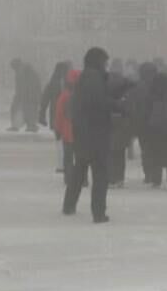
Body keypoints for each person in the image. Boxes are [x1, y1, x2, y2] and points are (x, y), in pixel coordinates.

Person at [63, 47, 120, 223]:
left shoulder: (84, 78)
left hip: (83, 132)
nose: (106, 66)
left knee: (79, 170)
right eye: (105, 62)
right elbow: (99, 103)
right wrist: (118, 106)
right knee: (100, 174)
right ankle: (98, 212)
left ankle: (69, 205)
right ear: (98, 62)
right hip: (96, 133)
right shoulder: (94, 79)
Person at [143, 71, 167, 191]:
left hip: (155, 129)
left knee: (156, 153)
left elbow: (146, 114)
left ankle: (156, 179)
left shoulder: (151, 96)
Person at [127, 63, 158, 184]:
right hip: (156, 122)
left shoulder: (137, 87)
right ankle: (155, 173)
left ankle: (148, 173)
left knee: (145, 149)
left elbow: (131, 104)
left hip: (141, 122)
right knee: (155, 148)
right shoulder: (159, 85)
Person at [40, 61, 72, 172]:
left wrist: (42, 115)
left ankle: (60, 165)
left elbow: (44, 100)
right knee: (68, 141)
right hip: (69, 117)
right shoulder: (71, 83)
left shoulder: (52, 82)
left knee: (58, 141)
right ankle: (67, 163)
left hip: (55, 115)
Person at [52, 69, 82, 185]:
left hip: (68, 132)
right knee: (81, 158)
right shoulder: (85, 94)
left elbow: (59, 114)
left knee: (68, 158)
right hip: (82, 133)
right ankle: (82, 179)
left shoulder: (64, 95)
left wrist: (58, 129)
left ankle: (69, 179)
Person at [9, 59, 42, 133]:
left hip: (29, 96)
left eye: (14, 68)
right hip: (27, 95)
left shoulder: (24, 72)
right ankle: (26, 125)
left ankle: (30, 126)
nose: (14, 70)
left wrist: (20, 96)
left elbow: (27, 86)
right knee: (21, 109)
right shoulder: (21, 72)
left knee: (27, 110)